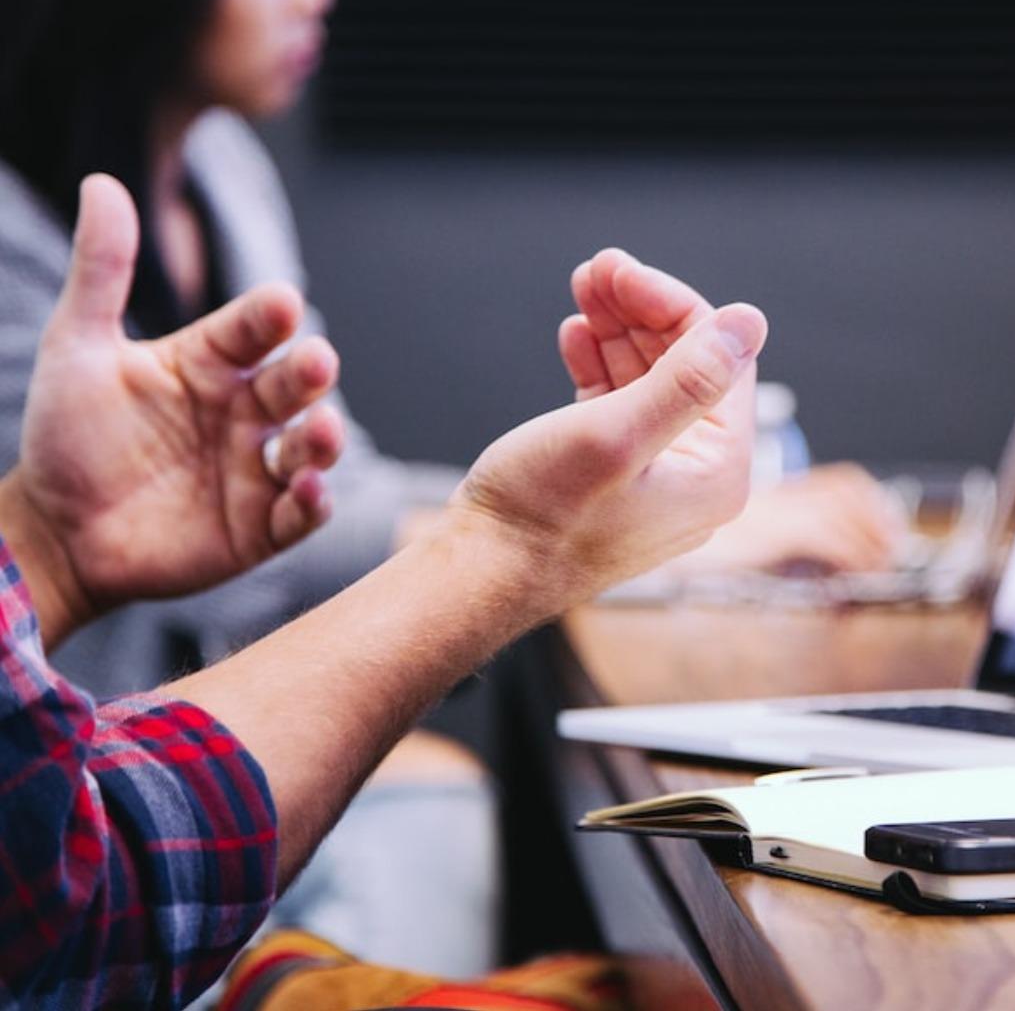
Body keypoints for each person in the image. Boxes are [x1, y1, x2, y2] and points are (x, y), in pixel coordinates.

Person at [0, 170, 766, 1007]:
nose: (319, 25)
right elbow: (74, 890)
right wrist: (514, 546)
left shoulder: (227, 166)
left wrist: (46, 540)